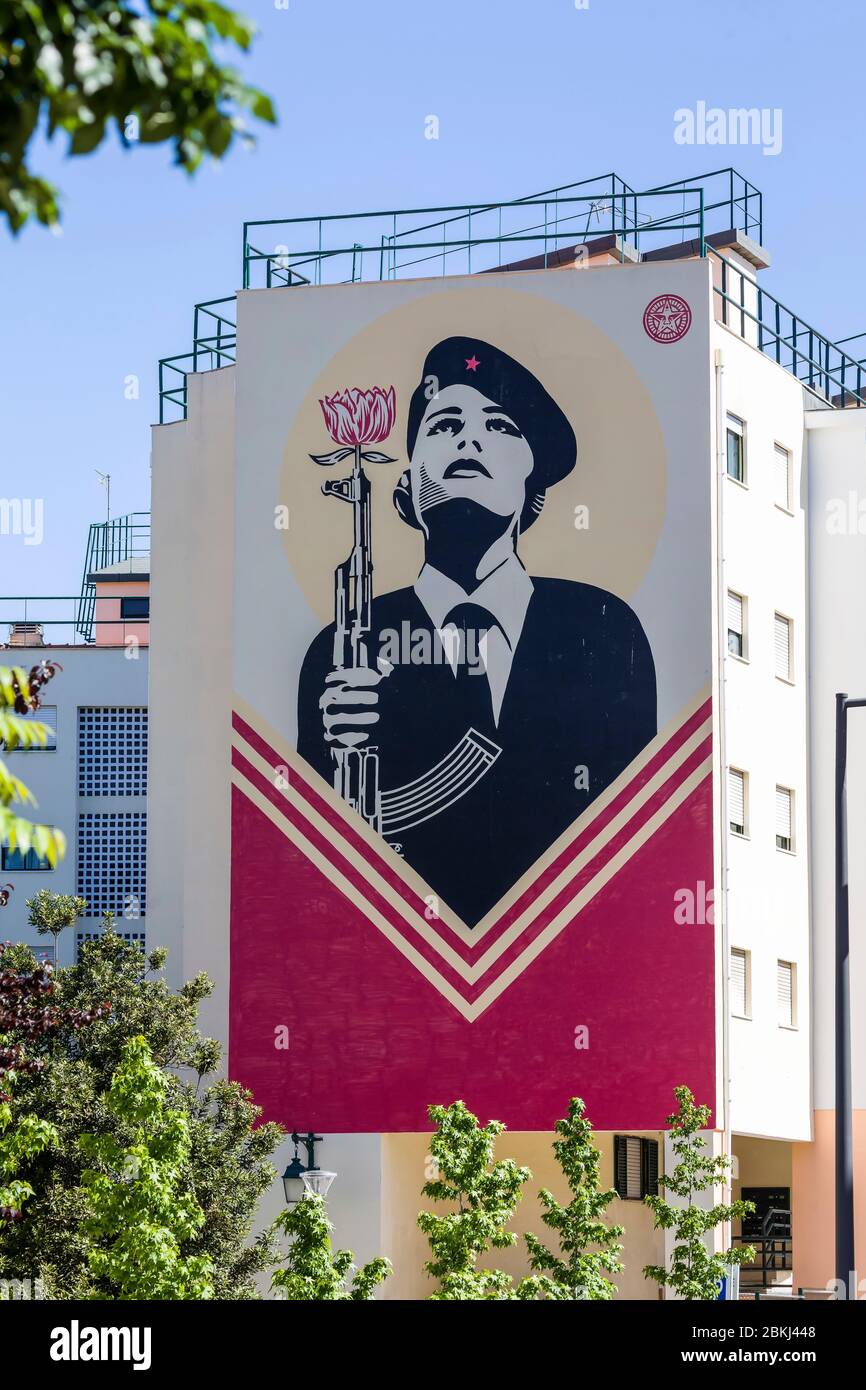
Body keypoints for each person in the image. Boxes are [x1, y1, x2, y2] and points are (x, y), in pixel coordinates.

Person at [298, 336, 656, 927]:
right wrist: (333, 750)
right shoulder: (341, 647)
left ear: (530, 488)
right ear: (407, 480)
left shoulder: (602, 627)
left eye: (500, 427)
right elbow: (311, 864)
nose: (468, 439)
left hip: (572, 943)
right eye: (442, 427)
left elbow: (639, 825)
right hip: (402, 949)